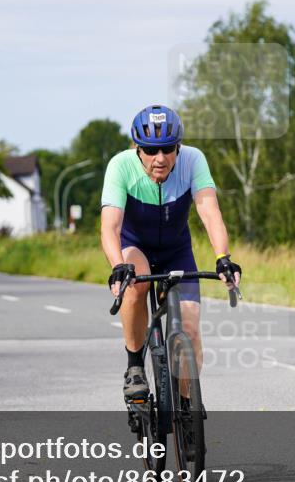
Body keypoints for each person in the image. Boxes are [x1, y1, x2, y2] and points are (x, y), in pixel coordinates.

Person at [100, 104, 241, 401]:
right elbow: (110, 227)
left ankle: (186, 412)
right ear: (138, 149)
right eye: (151, 151)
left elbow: (210, 212)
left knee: (189, 329)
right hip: (135, 246)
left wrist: (223, 257)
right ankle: (135, 366)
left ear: (178, 146)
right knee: (136, 287)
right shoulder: (120, 165)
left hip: (177, 250)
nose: (160, 158)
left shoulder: (193, 160)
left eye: (167, 149)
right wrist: (117, 265)